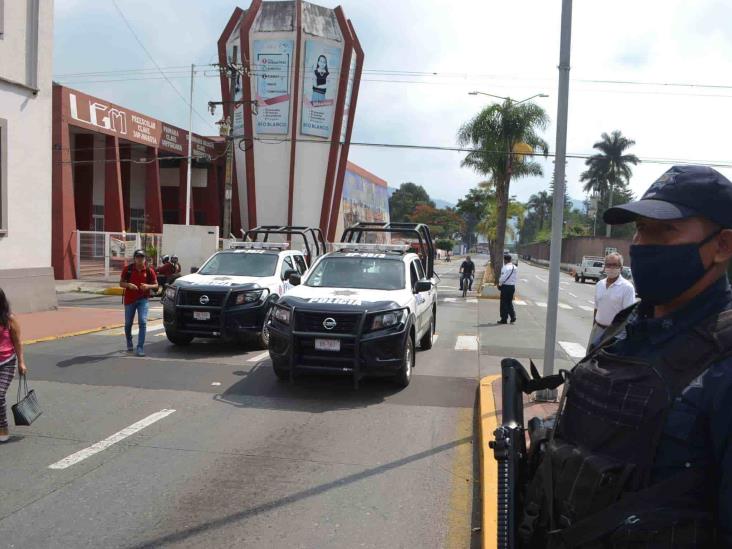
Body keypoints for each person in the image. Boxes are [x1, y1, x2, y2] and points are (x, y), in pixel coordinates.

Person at [519, 165, 732, 547]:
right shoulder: (626, 325)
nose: (643, 244)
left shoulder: (723, 361)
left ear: (723, 246)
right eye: (641, 230)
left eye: (664, 231)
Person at [587, 252, 636, 350]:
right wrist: (594, 327)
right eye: (608, 265)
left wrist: (622, 338)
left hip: (615, 334)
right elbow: (597, 308)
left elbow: (628, 315)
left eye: (614, 265)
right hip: (598, 330)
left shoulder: (627, 287)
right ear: (604, 267)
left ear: (621, 268)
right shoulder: (600, 284)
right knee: (590, 359)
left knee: (606, 362)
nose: (611, 268)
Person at [0, 288, 27, 442]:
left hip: (6, 362)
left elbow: (17, 342)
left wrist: (21, 362)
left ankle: (2, 428)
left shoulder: (9, 319)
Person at [119, 249, 158, 357]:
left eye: (142, 257)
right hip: (130, 300)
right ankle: (129, 340)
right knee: (128, 324)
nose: (140, 259)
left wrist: (148, 286)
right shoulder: (128, 269)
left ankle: (140, 347)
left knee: (143, 321)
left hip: (143, 299)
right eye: (138, 257)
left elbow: (156, 285)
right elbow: (121, 283)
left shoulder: (149, 270)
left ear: (145, 259)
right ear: (135, 258)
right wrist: (129, 285)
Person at [497, 254, 517, 324]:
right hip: (512, 287)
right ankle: (513, 316)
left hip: (505, 287)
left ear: (505, 260)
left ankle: (504, 319)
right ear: (510, 260)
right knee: (509, 302)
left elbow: (502, 278)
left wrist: (499, 284)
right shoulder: (515, 267)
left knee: (503, 303)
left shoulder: (505, 267)